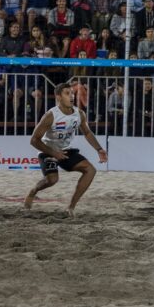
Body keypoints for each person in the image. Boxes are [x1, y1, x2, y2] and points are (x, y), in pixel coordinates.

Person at [24, 82, 108, 216]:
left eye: (72, 93)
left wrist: (99, 149)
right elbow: (34, 140)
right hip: (48, 151)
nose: (72, 96)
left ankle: (71, 207)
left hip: (65, 150)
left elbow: (87, 132)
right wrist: (53, 153)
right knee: (52, 180)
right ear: (58, 97)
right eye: (67, 93)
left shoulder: (79, 113)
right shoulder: (50, 115)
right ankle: (33, 191)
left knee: (90, 170)